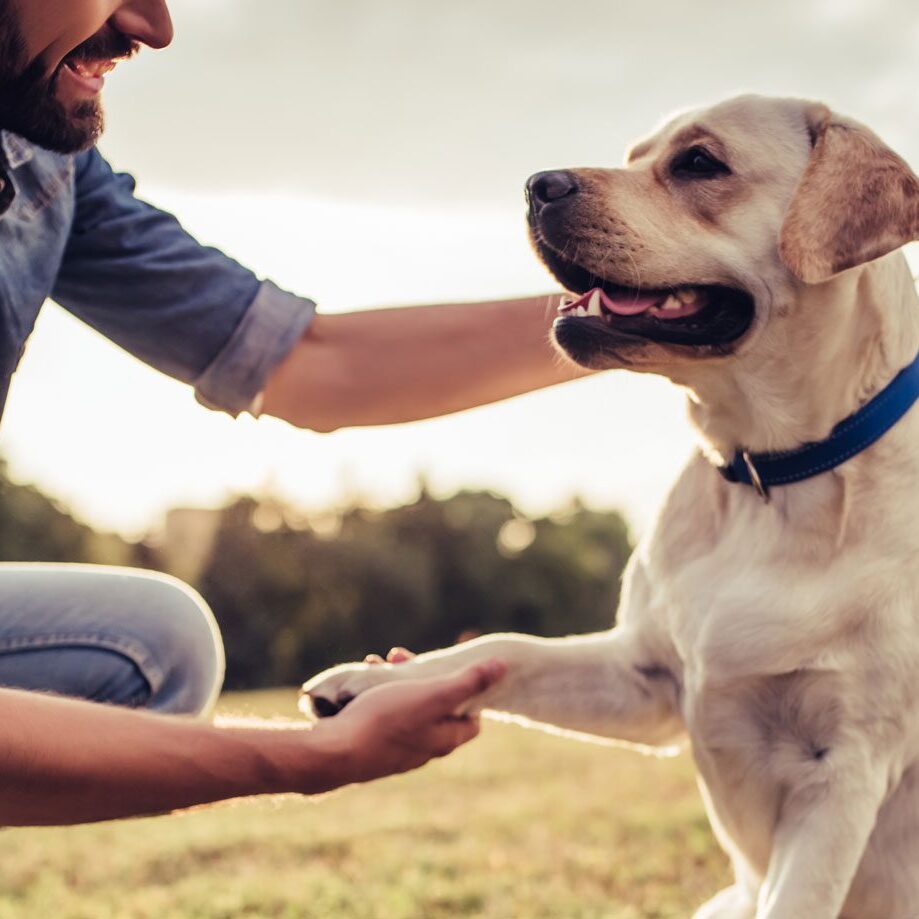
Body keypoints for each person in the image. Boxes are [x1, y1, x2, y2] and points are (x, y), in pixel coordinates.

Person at [0, 1, 582, 825]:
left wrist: (623, 320)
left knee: (149, 646)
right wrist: (313, 755)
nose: (152, 25)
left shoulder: (38, 153)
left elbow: (310, 364)